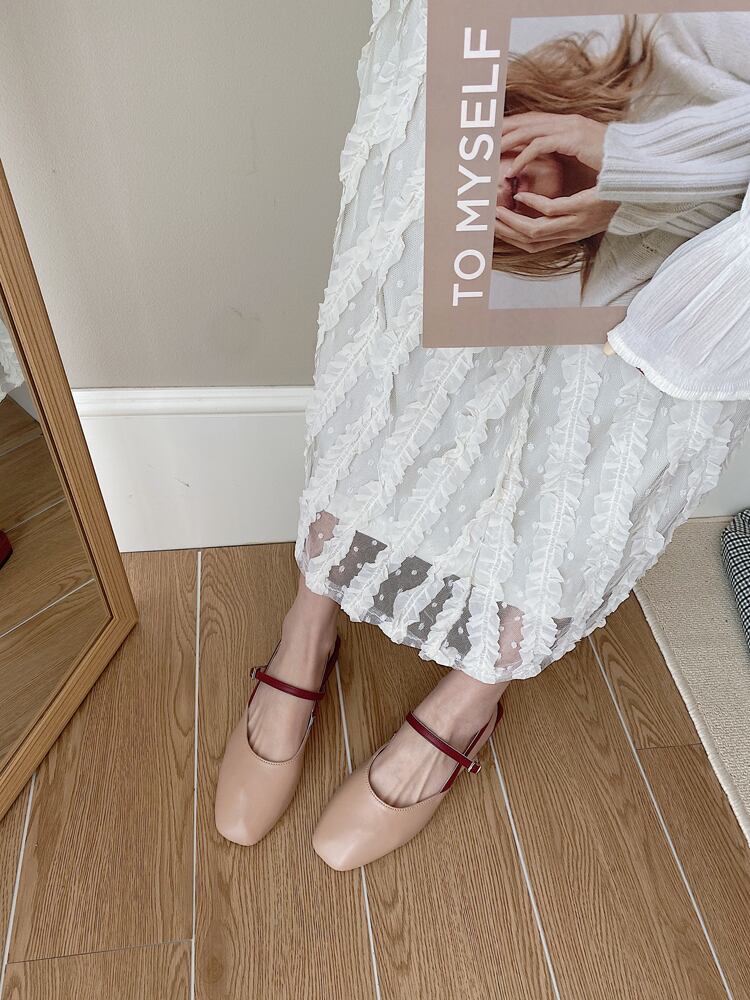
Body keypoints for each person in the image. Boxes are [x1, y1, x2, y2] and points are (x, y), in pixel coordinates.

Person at [214, 2, 750, 870]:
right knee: (405, 309)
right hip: (520, 47)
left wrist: (635, 165)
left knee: (613, 405)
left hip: (706, 195)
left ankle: (472, 697)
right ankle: (309, 619)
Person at [493, 12, 750, 305]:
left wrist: (629, 162)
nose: (494, 193)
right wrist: (632, 197)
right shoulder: (613, 299)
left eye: (469, 172)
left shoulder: (671, 36)